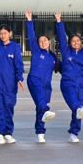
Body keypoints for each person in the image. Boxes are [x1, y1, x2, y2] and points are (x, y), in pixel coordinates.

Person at [55, 11, 83, 143]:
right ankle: (77, 109)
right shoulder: (66, 52)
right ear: (70, 43)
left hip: (81, 85)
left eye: (78, 41)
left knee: (79, 112)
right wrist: (59, 22)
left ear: (81, 42)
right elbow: (61, 38)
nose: (76, 42)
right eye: (73, 41)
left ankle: (73, 133)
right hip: (68, 82)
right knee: (77, 107)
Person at [25, 10, 59, 144]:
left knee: (40, 106)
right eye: (40, 41)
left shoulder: (54, 57)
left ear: (49, 42)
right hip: (34, 79)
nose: (42, 42)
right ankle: (45, 111)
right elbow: (31, 35)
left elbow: (65, 68)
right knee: (42, 104)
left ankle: (40, 133)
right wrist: (29, 20)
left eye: (45, 40)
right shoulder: (36, 50)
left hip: (46, 85)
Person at [0, 23, 25, 145]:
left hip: (10, 84)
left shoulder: (15, 47)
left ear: (10, 33)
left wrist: (20, 78)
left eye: (5, 33)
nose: (3, 36)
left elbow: (19, 64)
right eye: (1, 34)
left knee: (9, 108)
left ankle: (8, 133)